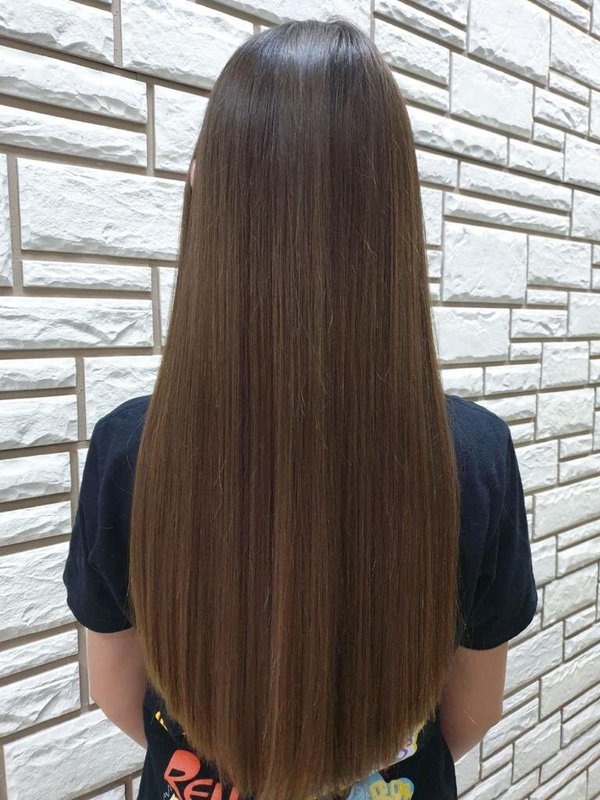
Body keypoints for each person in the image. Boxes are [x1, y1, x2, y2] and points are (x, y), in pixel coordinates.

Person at [62, 17, 538, 800]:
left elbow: (118, 694)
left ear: (204, 190)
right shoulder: (474, 455)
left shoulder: (130, 450)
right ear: (394, 207)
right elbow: (472, 710)